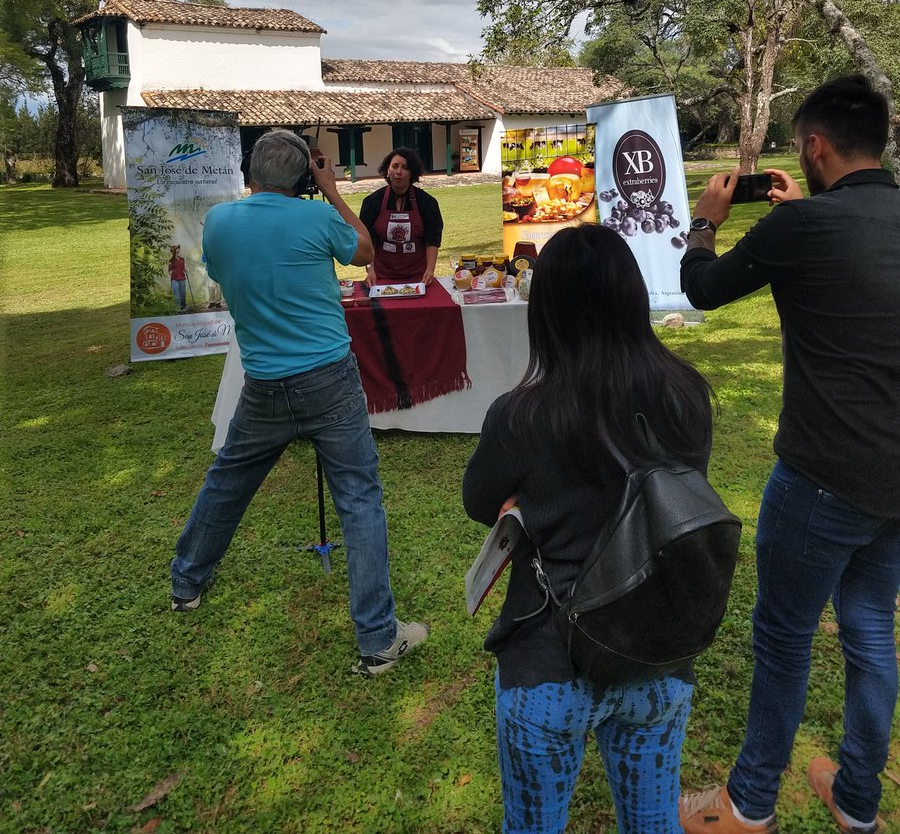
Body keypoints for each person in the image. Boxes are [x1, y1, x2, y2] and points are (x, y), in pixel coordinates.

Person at [679, 75, 900, 834]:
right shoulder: (821, 221)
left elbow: (702, 290)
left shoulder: (802, 227)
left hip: (822, 477)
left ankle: (748, 804)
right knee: (871, 631)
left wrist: (706, 220)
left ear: (811, 146)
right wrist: (794, 218)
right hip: (895, 478)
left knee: (783, 637)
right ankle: (859, 801)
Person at [462, 223, 715, 834]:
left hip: (547, 663)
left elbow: (478, 500)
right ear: (632, 298)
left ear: (546, 310)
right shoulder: (687, 395)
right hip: (655, 651)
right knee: (653, 821)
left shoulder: (522, 414)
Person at [170, 129, 428, 677]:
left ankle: (187, 582)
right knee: (358, 498)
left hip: (263, 380)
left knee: (227, 481)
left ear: (252, 171)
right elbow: (366, 252)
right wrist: (331, 189)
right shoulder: (316, 218)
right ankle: (378, 638)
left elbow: (220, 272)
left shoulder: (219, 221)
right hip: (329, 378)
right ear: (303, 177)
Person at [359, 147, 443, 286]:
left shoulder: (427, 202)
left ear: (412, 173)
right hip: (381, 278)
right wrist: (370, 270)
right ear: (387, 169)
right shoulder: (372, 201)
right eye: (395, 166)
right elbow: (366, 240)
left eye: (405, 167)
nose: (398, 172)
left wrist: (430, 270)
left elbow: (432, 240)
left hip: (418, 278)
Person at [168, 245, 187, 311]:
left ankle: (183, 306)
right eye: (177, 249)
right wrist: (170, 272)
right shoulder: (171, 260)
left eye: (179, 248)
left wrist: (185, 270)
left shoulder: (182, 259)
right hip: (174, 279)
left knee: (183, 293)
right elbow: (169, 271)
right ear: (174, 250)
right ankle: (177, 307)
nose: (178, 249)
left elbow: (183, 268)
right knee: (176, 293)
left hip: (182, 277)